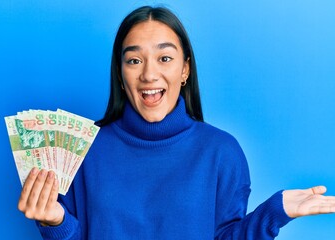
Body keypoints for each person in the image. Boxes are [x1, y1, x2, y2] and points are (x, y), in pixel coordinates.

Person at [18, 6, 335, 239]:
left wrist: (273, 213)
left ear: (185, 70)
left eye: (164, 58)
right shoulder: (84, 148)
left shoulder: (221, 152)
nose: (149, 74)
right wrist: (56, 223)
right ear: (120, 73)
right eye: (134, 60)